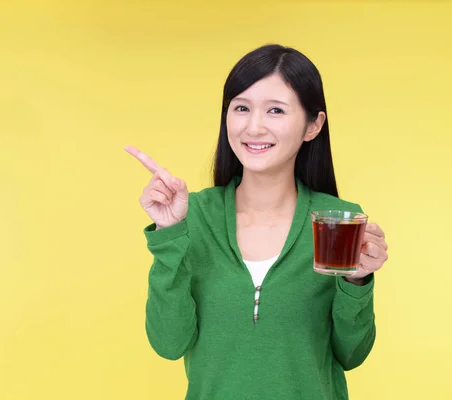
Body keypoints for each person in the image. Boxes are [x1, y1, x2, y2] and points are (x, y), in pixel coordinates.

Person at [125, 44, 389, 400]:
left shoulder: (336, 224)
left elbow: (351, 354)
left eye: (276, 110)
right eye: (241, 108)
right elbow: (169, 344)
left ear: (313, 125)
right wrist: (169, 235)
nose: (254, 127)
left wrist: (357, 281)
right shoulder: (193, 215)